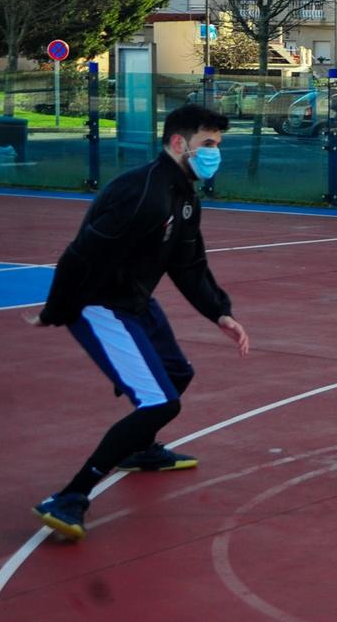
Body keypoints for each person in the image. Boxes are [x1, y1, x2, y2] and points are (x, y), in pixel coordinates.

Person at [30, 104, 251, 541]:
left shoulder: (184, 196)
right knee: (161, 403)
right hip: (99, 305)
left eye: (218, 145)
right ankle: (70, 497)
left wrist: (220, 312)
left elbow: (189, 265)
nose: (214, 153)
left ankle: (141, 449)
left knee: (177, 373)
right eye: (207, 144)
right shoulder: (143, 194)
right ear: (177, 143)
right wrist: (57, 310)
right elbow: (79, 255)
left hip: (134, 301)